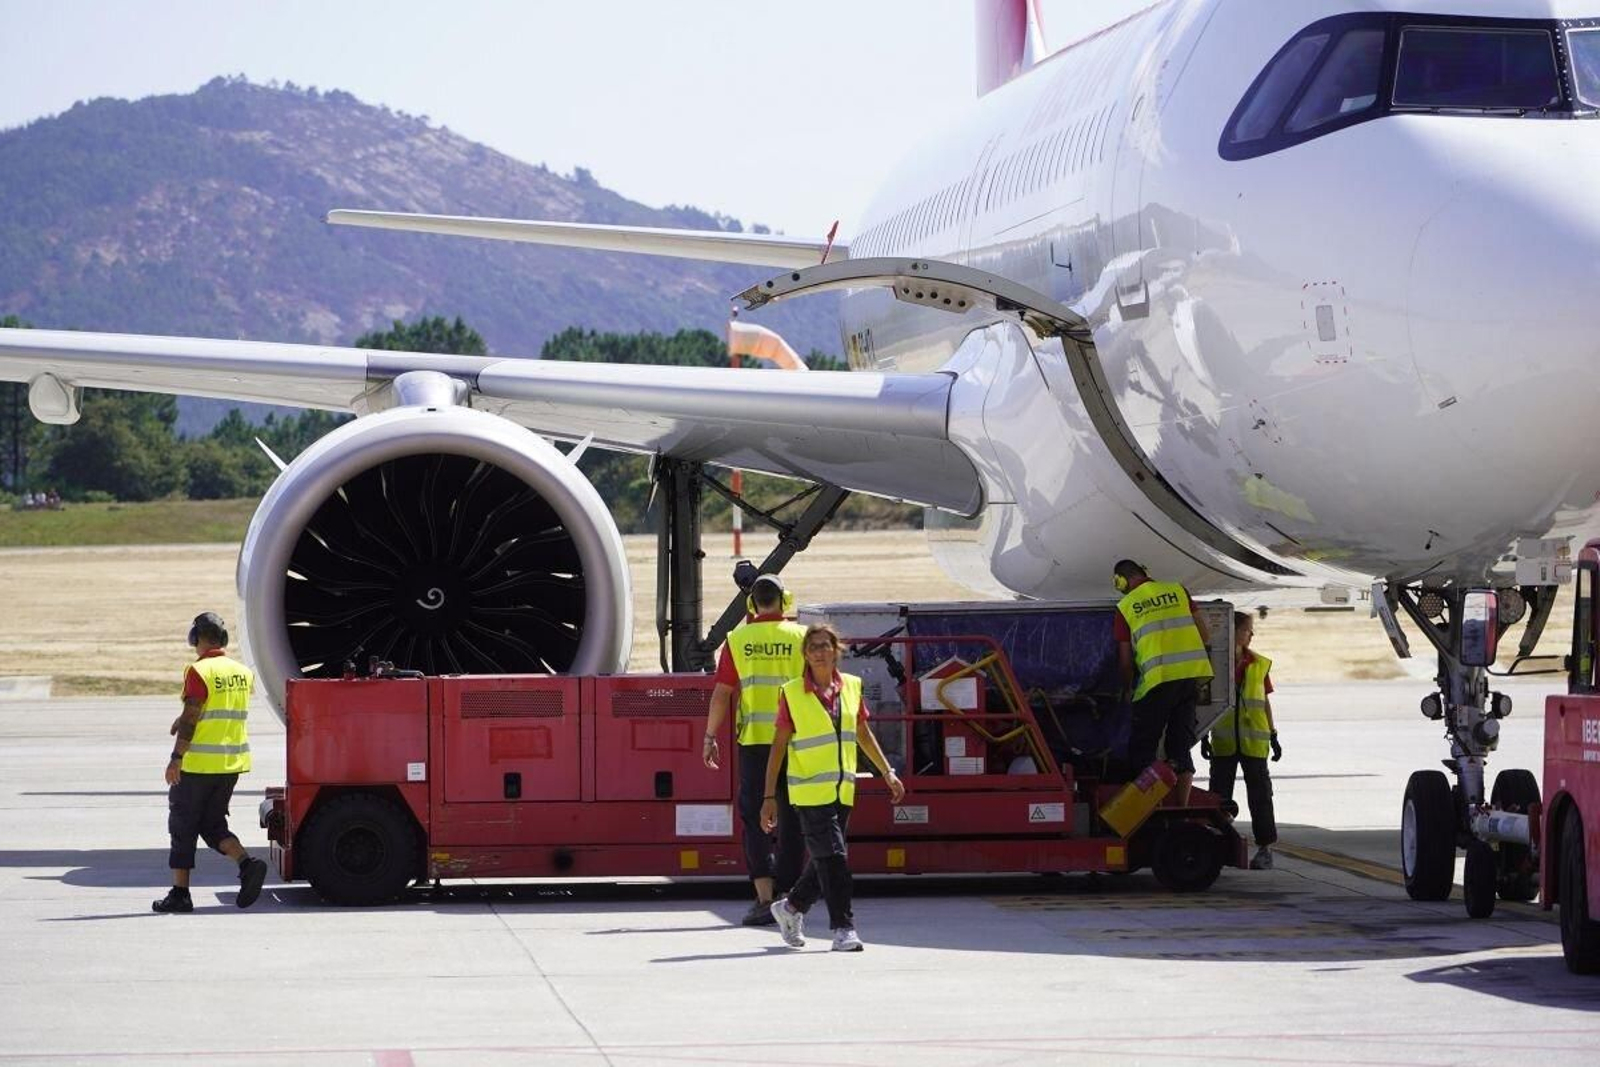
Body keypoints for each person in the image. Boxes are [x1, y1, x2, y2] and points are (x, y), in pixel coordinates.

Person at [763, 623, 905, 952]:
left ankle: (790, 908)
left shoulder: (852, 687)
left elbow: (863, 734)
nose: (819, 651)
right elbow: (778, 748)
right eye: (813, 646)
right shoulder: (792, 693)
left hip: (842, 790)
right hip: (810, 793)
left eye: (825, 645)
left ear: (836, 649)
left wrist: (887, 772)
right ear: (805, 654)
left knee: (825, 858)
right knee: (836, 858)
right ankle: (843, 928)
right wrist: (769, 796)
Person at [702, 573, 807, 926]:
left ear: (751, 604)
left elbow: (722, 694)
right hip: (797, 742)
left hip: (756, 743)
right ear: (785, 600)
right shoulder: (803, 637)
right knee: (794, 820)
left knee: (754, 820)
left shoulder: (738, 639)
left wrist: (709, 736)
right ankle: (790, 901)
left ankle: (764, 899)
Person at [153, 611, 269, 913]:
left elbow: (194, 716)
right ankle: (247, 864)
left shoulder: (199, 671)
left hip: (198, 766)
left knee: (182, 827)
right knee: (212, 825)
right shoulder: (241, 671)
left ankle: (180, 894)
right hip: (230, 765)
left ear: (196, 639)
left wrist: (176, 758)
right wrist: (185, 717)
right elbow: (218, 709)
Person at [1113, 559, 1214, 806]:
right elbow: (1205, 634)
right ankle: (1181, 809)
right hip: (1191, 678)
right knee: (1180, 746)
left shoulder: (1126, 606)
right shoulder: (1178, 590)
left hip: (1157, 682)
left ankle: (1150, 810)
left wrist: (1126, 688)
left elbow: (1125, 661)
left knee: (1143, 749)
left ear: (1121, 581)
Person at [1205, 611, 1281, 869]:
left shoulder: (1259, 664)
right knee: (1219, 798)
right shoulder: (1217, 662)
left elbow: (1265, 700)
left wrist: (1273, 733)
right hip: (1224, 742)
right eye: (1248, 629)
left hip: (1254, 742)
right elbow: (1206, 700)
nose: (1252, 634)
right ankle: (1217, 846)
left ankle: (1265, 849)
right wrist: (1204, 733)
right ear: (1235, 631)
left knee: (1260, 797)